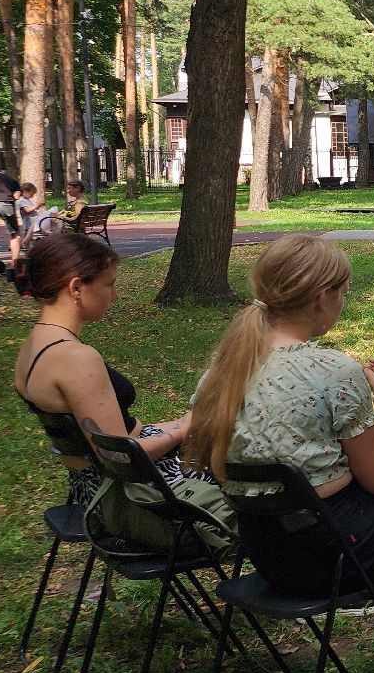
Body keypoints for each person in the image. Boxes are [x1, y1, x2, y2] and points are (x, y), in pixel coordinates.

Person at [187, 234, 374, 597]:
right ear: (321, 298)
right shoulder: (330, 371)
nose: (343, 302)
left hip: (270, 554)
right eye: (343, 293)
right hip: (344, 554)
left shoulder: (220, 375)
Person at [13, 233, 232, 550]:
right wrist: (181, 431)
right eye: (108, 284)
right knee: (253, 482)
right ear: (76, 288)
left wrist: (179, 425)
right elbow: (118, 455)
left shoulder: (34, 345)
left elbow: (110, 434)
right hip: (134, 495)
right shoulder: (76, 358)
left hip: (94, 486)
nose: (115, 295)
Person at [0, 167, 18, 269]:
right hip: (6, 203)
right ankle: (15, 264)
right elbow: (17, 196)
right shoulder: (11, 180)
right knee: (14, 234)